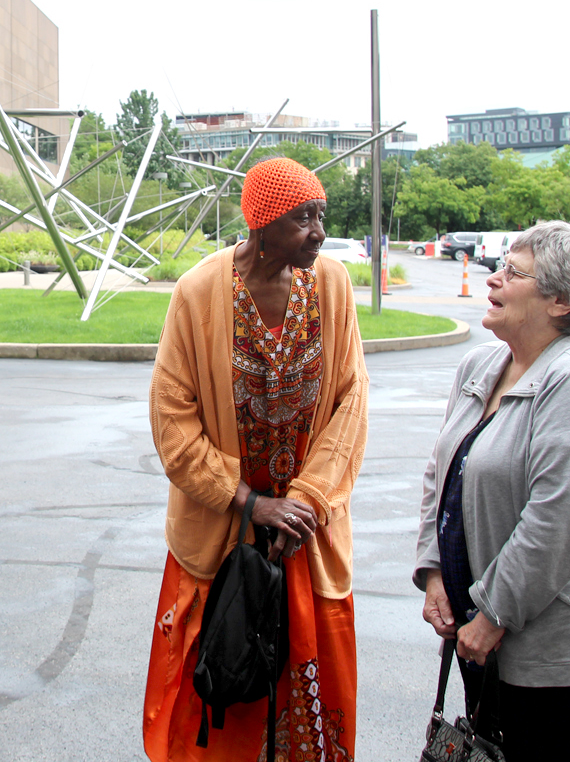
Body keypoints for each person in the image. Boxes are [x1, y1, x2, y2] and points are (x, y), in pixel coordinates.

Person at [144, 157, 368, 761]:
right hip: (224, 540)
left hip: (302, 536)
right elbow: (172, 422)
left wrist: (303, 503)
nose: (318, 231)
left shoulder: (332, 284)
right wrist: (249, 502)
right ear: (262, 224)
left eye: (321, 215)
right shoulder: (198, 292)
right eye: (304, 218)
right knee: (216, 705)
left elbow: (351, 402)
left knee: (309, 714)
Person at [415, 221, 570, 762]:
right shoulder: (482, 362)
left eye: (513, 273)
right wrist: (434, 573)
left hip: (557, 643)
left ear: (562, 301)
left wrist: (494, 613)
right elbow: (442, 474)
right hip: (481, 633)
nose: (492, 279)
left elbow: (561, 518)